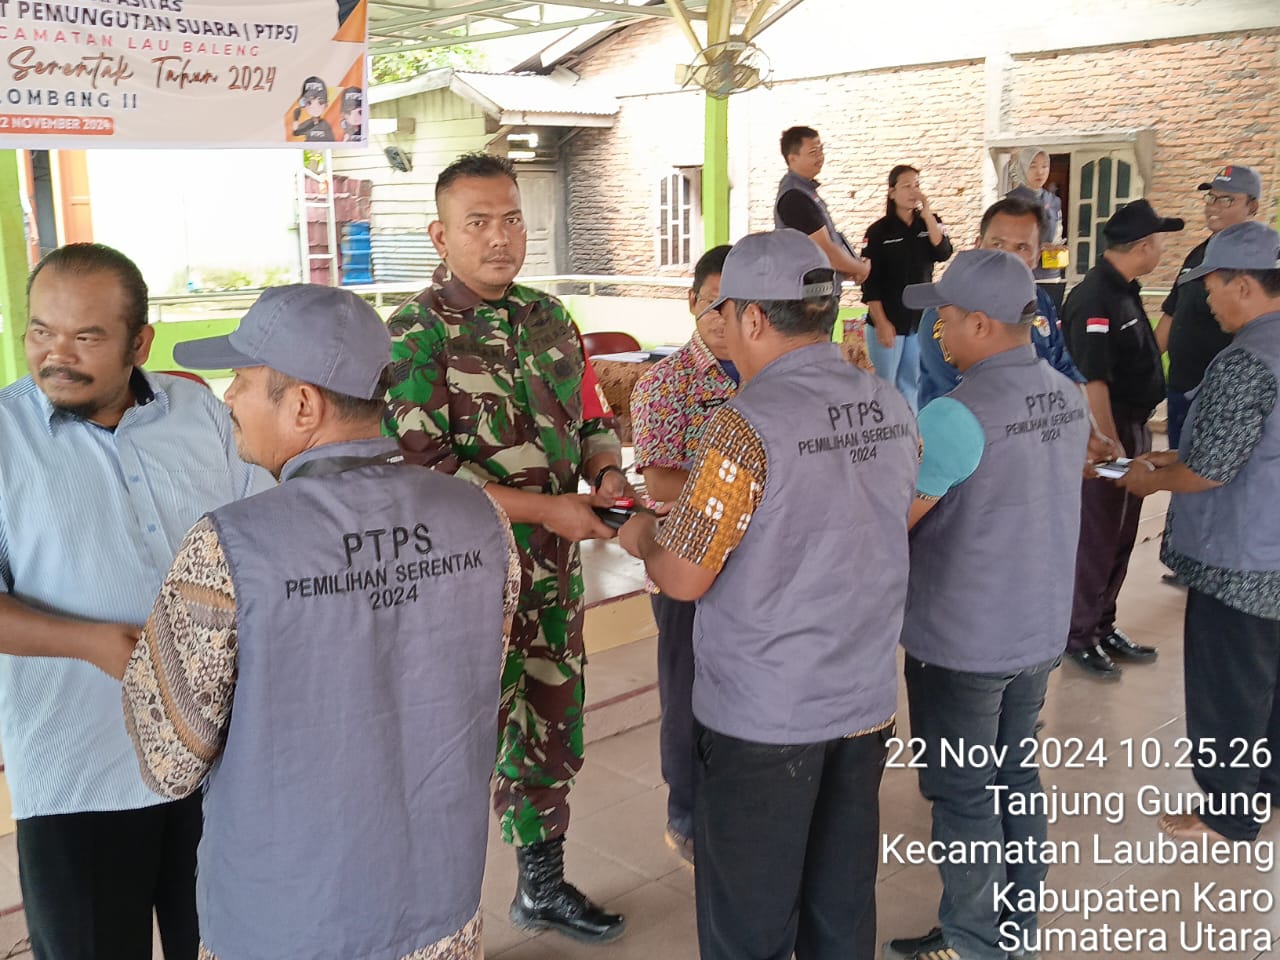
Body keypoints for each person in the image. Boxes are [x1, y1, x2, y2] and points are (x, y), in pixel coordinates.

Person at [119, 284, 520, 959]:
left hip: (288, 924)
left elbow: (168, 762)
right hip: (440, 910)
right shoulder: (482, 520)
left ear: (303, 405)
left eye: (243, 379)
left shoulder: (227, 548)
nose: (227, 398)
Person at [619, 229, 919, 960]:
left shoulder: (743, 427)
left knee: (749, 922)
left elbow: (685, 576)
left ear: (752, 318)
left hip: (765, 715)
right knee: (839, 907)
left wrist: (642, 537)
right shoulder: (887, 403)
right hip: (864, 702)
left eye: (726, 311)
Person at [0, 243, 270, 959]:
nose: (56, 356)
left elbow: (267, 536)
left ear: (139, 343)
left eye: (87, 337)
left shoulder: (201, 413)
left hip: (216, 760)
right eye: (41, 331)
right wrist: (90, 642)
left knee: (225, 945)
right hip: (80, 770)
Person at [384, 152, 628, 943]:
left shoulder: (551, 318)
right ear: (440, 235)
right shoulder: (414, 334)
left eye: (513, 219)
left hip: (553, 573)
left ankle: (542, 887)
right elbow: (424, 475)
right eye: (479, 223)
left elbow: (591, 416)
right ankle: (432, 916)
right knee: (454, 747)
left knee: (552, 727)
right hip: (463, 587)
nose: (500, 238)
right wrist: (548, 509)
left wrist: (606, 471)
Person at [883, 250, 1090, 960]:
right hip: (1038, 630)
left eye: (944, 317)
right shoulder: (1066, 396)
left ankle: (975, 945)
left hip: (963, 642)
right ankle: (1013, 931)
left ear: (979, 323)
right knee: (1015, 776)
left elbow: (897, 520)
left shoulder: (956, 415)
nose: (937, 331)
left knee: (965, 792)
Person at [1117, 221, 1280, 844]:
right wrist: (1176, 458)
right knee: (1268, 678)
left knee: (1228, 688)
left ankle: (1228, 813)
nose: (1206, 302)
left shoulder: (1245, 361)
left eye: (1210, 288)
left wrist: (1151, 479)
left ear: (1243, 285)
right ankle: (1267, 787)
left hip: (1238, 558)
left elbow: (1211, 471)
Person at [629, 243, 736, 864]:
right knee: (686, 694)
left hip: (749, 565)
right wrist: (744, 482)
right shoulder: (665, 384)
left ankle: (731, 802)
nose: (722, 318)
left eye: (734, 304)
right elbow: (661, 482)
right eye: (711, 303)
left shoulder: (763, 375)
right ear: (692, 302)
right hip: (683, 563)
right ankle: (686, 813)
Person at [1060, 199, 1184, 679]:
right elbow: (1093, 379)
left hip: (1132, 427)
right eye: (1159, 241)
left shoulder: (1123, 290)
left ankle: (1103, 624)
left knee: (1122, 535)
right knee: (1098, 535)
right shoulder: (1095, 297)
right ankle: (1079, 634)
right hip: (1106, 430)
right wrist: (1110, 446)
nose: (1161, 250)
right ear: (1143, 246)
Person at [918, 195, 1085, 408]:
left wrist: (1082, 421)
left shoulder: (1039, 301)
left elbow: (1064, 371)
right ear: (978, 245)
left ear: (1037, 257)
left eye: (1021, 248)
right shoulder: (946, 312)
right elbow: (957, 399)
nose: (1007, 257)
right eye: (997, 244)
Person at [1155, 164, 1263, 449]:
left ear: (1252, 206)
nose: (1214, 206)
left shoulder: (1259, 262)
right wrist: (1145, 369)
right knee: (1180, 465)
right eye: (1211, 197)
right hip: (1180, 390)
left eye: (1227, 199)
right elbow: (1172, 314)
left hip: (1224, 395)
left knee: (1212, 469)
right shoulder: (1198, 254)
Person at [861, 164, 954, 412]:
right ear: (892, 192)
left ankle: (911, 432)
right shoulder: (878, 232)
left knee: (912, 383)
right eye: (906, 186)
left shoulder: (929, 224)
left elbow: (943, 252)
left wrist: (928, 215)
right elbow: (870, 283)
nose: (914, 192)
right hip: (888, 320)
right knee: (886, 387)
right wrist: (881, 322)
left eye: (917, 186)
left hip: (918, 322)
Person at [1006, 146, 1068, 310]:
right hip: (1022, 275)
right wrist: (1037, 247)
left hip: (1050, 275)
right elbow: (1006, 240)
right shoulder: (1011, 201)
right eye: (1032, 166)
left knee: (1048, 318)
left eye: (1044, 166)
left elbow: (1057, 233)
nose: (1040, 172)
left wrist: (1057, 246)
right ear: (1022, 168)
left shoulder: (1053, 201)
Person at [291, 77, 335, 141]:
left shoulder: (325, 125)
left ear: (326, 105)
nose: (314, 107)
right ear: (303, 103)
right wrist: (296, 120)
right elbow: (296, 132)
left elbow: (331, 140)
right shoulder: (308, 124)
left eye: (320, 102)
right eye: (309, 102)